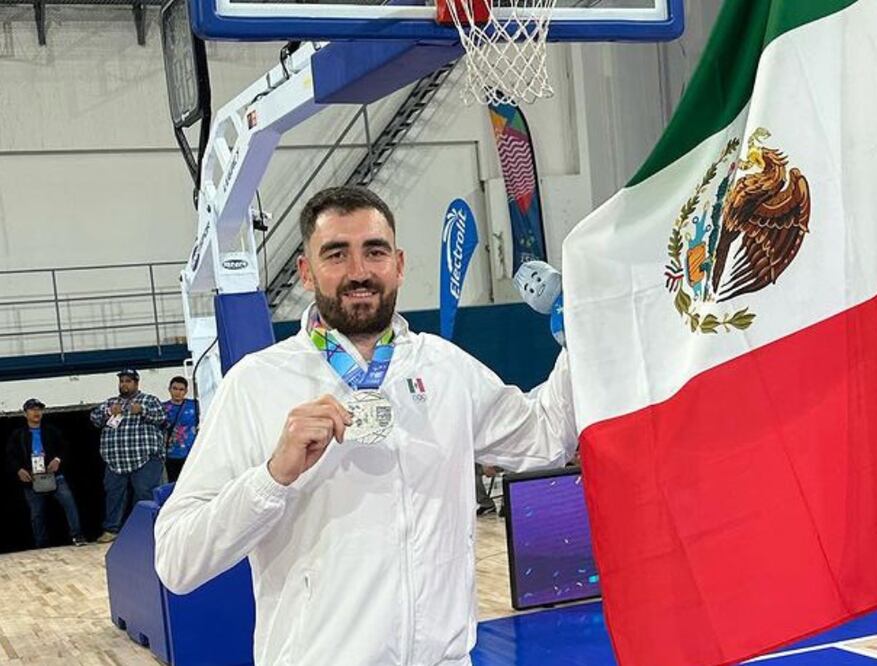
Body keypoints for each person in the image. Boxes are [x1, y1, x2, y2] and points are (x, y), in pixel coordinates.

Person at [155, 186, 576, 666]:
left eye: (374, 252)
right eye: (336, 254)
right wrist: (272, 478)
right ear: (306, 272)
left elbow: (546, 436)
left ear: (399, 264)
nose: (359, 271)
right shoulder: (256, 384)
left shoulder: (446, 369)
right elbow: (177, 561)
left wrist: (578, 333)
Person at [89, 368, 166, 543]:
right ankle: (111, 530)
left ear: (136, 383)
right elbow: (94, 419)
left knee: (144, 494)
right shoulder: (111, 402)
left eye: (128, 381)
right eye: (122, 381)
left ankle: (145, 529)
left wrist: (143, 411)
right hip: (115, 460)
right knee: (114, 495)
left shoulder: (149, 400)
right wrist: (108, 412)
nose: (124, 384)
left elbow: (162, 417)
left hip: (144, 458)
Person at [5, 399, 86, 548]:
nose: (36, 412)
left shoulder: (51, 431)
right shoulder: (19, 434)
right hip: (32, 478)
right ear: (25, 413)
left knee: (69, 504)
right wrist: (18, 469)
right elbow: (10, 456)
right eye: (32, 409)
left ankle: (77, 535)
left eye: (39, 409)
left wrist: (58, 459)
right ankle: (41, 544)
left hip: (54, 476)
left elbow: (65, 447)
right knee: (37, 514)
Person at [162, 376, 199, 482]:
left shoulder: (195, 405)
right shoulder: (162, 407)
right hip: (171, 454)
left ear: (186, 391)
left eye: (181, 389)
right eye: (175, 388)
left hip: (192, 453)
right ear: (169, 389)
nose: (178, 392)